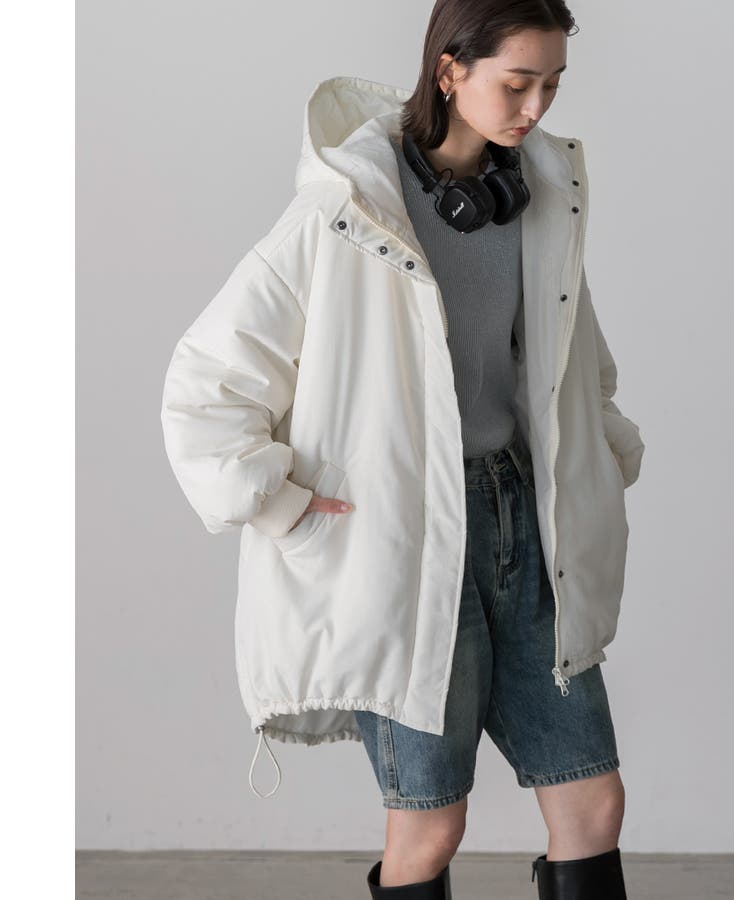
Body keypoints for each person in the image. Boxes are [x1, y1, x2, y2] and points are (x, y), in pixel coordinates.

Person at [160, 1, 644, 897]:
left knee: (593, 801)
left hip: (523, 522)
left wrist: (600, 457)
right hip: (408, 542)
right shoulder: (343, 213)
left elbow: (577, 361)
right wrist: (280, 502)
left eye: (552, 85)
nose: (536, 107)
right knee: (431, 823)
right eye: (517, 83)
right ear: (450, 70)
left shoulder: (538, 200)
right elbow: (207, 383)